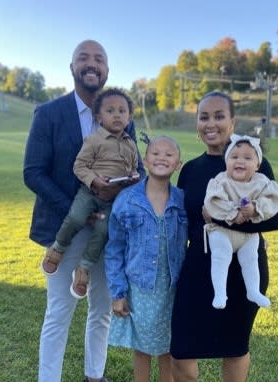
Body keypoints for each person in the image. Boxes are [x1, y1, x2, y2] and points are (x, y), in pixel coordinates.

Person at [23, 40, 144, 382]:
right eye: (84, 59)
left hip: (109, 229)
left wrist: (129, 188)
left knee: (102, 310)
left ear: (107, 69)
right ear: (72, 67)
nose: (92, 64)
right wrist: (79, 212)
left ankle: (95, 376)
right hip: (67, 223)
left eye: (99, 59)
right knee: (59, 311)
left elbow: (136, 168)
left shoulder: (122, 115)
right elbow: (33, 172)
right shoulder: (49, 113)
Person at [170, 91, 278, 382]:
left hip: (245, 270)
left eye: (219, 116)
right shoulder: (191, 171)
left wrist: (220, 217)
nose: (211, 123)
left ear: (231, 122)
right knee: (181, 349)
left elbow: (274, 218)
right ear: (196, 123)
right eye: (204, 117)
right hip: (198, 267)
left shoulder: (254, 162)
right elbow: (187, 222)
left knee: (234, 348)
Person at [41, 87, 140, 300]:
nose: (117, 115)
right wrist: (94, 179)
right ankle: (58, 247)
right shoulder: (94, 140)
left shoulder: (131, 144)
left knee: (104, 231)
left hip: (113, 200)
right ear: (99, 117)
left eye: (122, 111)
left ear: (129, 117)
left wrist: (132, 178)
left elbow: (134, 168)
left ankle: (84, 268)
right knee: (76, 217)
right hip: (89, 192)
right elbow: (79, 166)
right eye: (110, 111)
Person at [105, 136, 188, 382]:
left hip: (173, 287)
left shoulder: (183, 200)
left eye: (169, 154)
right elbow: (114, 249)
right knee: (141, 346)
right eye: (156, 153)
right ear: (145, 160)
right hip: (140, 287)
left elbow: (207, 230)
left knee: (169, 347)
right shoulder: (127, 200)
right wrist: (117, 293)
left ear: (178, 164)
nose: (162, 158)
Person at [203, 133, 278, 309]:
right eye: (234, 157)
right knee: (220, 255)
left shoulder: (261, 181)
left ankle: (253, 291)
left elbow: (274, 200)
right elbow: (213, 202)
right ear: (226, 161)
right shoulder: (221, 180)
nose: (240, 161)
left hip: (248, 236)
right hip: (222, 232)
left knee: (251, 258)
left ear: (257, 165)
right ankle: (220, 293)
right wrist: (234, 214)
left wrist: (255, 209)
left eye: (247, 158)